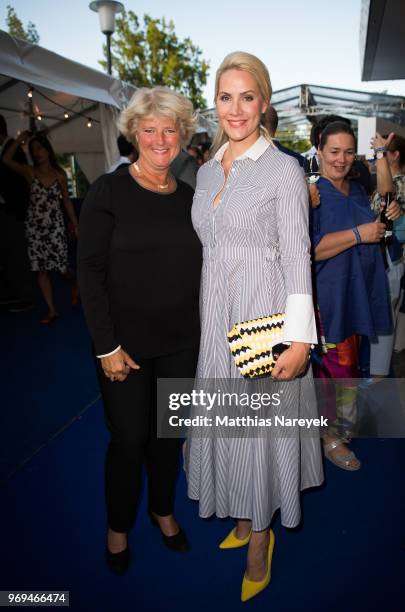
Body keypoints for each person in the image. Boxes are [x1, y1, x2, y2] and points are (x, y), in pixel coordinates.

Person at [185, 51, 323, 602]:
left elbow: (297, 258)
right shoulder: (203, 170)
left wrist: (299, 338)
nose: (236, 109)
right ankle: (242, 516)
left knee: (258, 434)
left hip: (264, 317)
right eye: (225, 97)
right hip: (214, 315)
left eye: (247, 97)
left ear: (264, 103)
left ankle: (260, 538)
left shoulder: (283, 169)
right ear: (215, 103)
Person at [77, 86, 202, 575]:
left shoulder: (190, 199)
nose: (160, 138)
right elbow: (89, 271)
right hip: (122, 347)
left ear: (182, 136)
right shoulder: (109, 190)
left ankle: (163, 509)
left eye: (170, 129)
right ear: (134, 133)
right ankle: (118, 525)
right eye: (149, 129)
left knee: (168, 437)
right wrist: (105, 344)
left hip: (179, 343)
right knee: (128, 440)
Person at [310, 122, 399, 470]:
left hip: (357, 291)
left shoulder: (358, 190)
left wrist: (387, 213)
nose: (342, 159)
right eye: (334, 151)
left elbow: (387, 200)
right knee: (332, 369)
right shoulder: (311, 194)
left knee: (348, 366)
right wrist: (359, 234)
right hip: (326, 297)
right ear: (319, 150)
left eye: (349, 152)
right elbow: (310, 250)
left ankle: (338, 427)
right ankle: (328, 434)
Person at [2, 131, 79, 323]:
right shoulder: (30, 172)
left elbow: (67, 202)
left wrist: (75, 224)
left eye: (39, 148)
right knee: (41, 270)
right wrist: (18, 141)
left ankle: (75, 282)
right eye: (32, 149)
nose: (36, 152)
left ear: (47, 149)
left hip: (55, 228)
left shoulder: (59, 174)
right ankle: (52, 310)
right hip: (35, 229)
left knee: (62, 269)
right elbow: (6, 160)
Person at [370, 134, 405, 356]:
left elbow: (386, 202)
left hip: (390, 258)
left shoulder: (401, 184)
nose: (379, 158)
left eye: (385, 152)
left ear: (395, 155)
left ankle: (379, 371)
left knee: (384, 316)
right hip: (390, 259)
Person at [0, 115, 32, 312]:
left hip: (15, 211)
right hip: (11, 210)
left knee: (18, 255)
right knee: (11, 255)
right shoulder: (10, 148)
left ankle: (24, 296)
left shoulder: (13, 149)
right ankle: (17, 293)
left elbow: (21, 183)